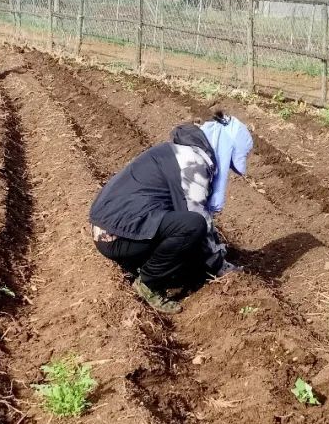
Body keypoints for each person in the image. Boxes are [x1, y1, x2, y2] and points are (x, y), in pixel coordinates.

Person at [89, 112, 253, 313]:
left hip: (110, 228)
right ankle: (149, 283)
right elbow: (199, 217)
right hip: (117, 238)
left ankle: (142, 266)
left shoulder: (180, 151)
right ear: (224, 149)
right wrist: (221, 266)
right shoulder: (192, 162)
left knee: (186, 239)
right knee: (193, 226)